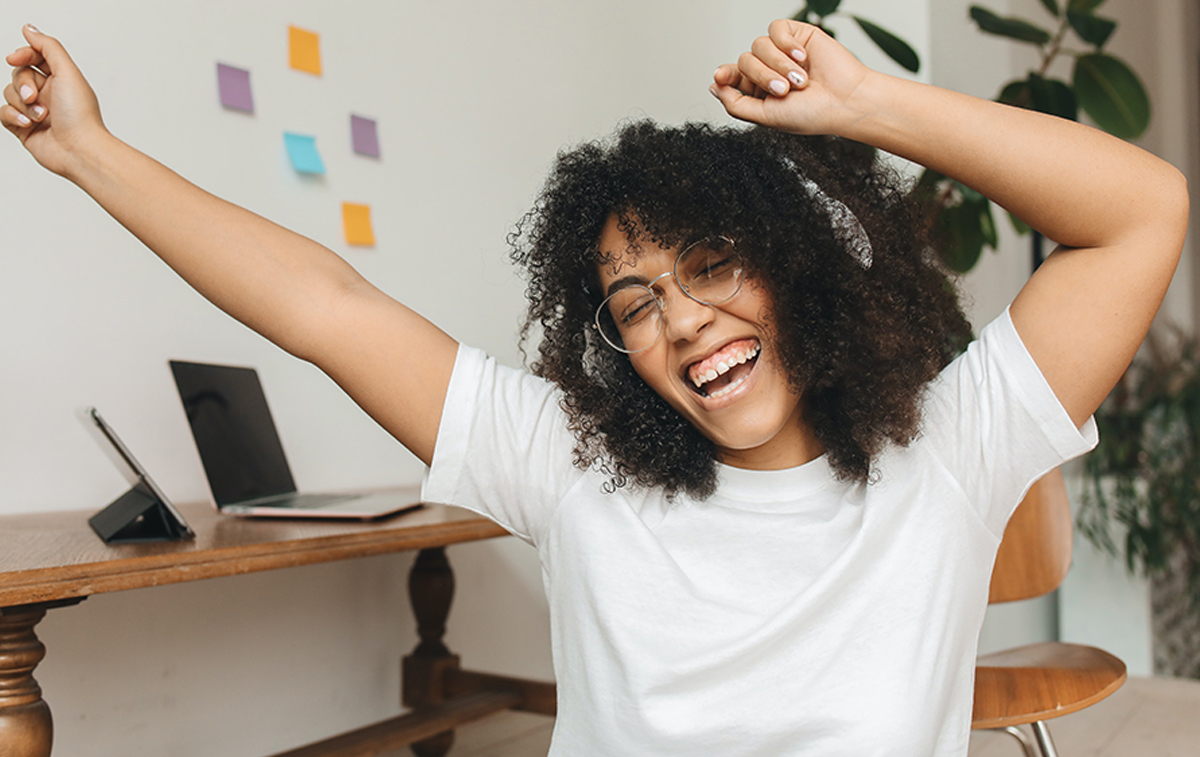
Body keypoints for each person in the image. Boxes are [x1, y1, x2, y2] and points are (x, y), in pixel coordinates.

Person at [4, 18, 1187, 756]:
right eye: (637, 305)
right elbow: (330, 308)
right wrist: (88, 151)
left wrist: (865, 106)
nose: (683, 322)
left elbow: (1143, 214)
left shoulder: (949, 452)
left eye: (713, 266)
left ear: (796, 270)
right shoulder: (572, 463)